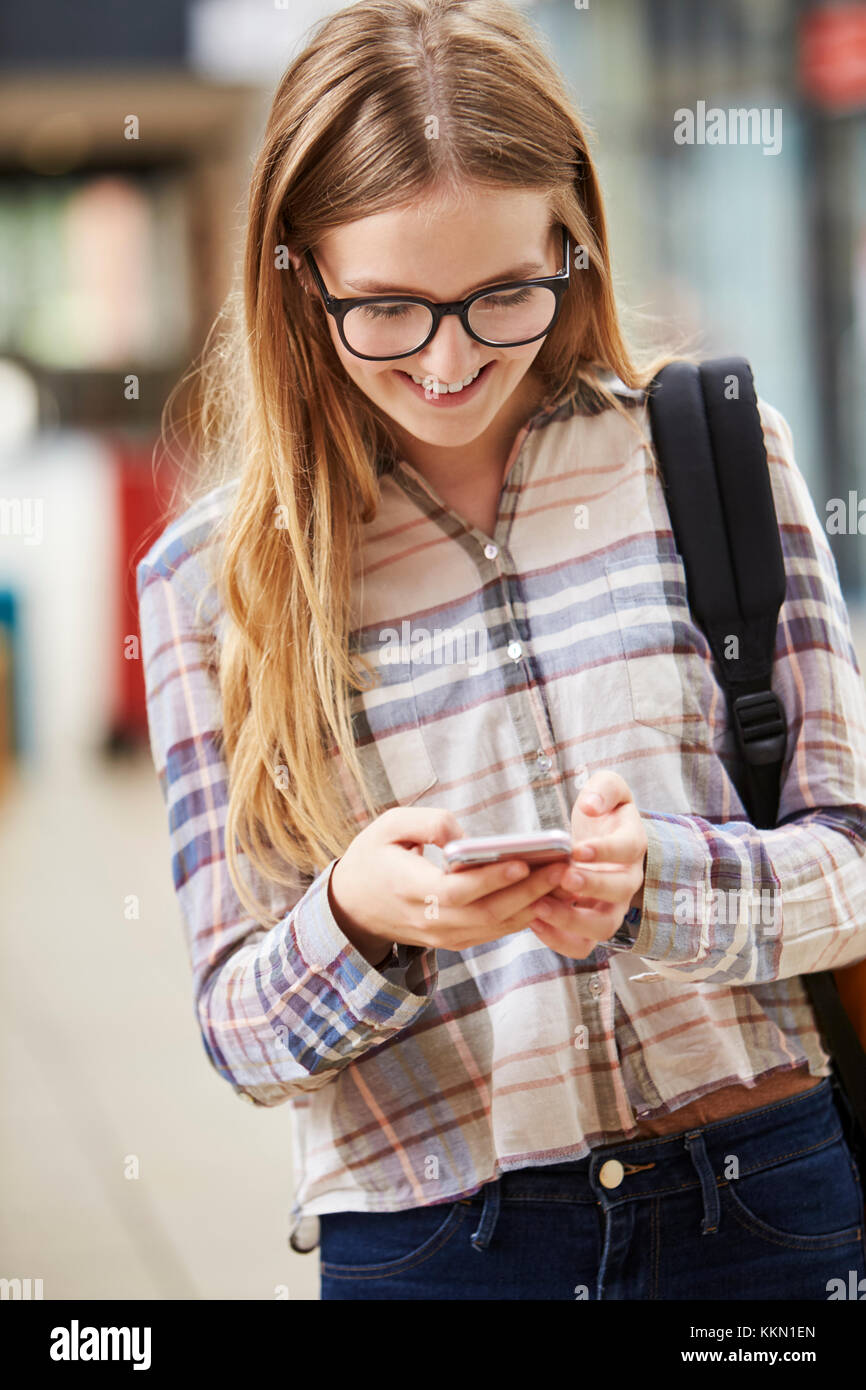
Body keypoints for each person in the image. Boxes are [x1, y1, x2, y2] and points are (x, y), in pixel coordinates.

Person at [137, 0, 866, 1300]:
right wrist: (359, 919)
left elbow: (852, 862)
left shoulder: (714, 455)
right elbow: (238, 1037)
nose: (449, 357)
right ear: (296, 274)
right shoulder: (209, 587)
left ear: (570, 241)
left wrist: (661, 885)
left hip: (758, 1209)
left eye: (499, 294)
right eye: (390, 310)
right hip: (434, 1250)